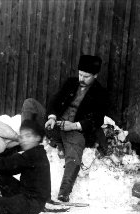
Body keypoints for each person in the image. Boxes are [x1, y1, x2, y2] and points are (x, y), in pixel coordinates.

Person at [45, 55, 109, 202]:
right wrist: (52, 117)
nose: (81, 78)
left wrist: (73, 126)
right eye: (80, 74)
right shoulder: (70, 83)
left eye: (86, 76)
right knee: (30, 104)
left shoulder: (100, 93)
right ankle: (57, 141)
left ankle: (63, 193)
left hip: (74, 130)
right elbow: (55, 101)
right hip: (56, 124)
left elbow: (97, 119)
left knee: (73, 156)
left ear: (95, 75)